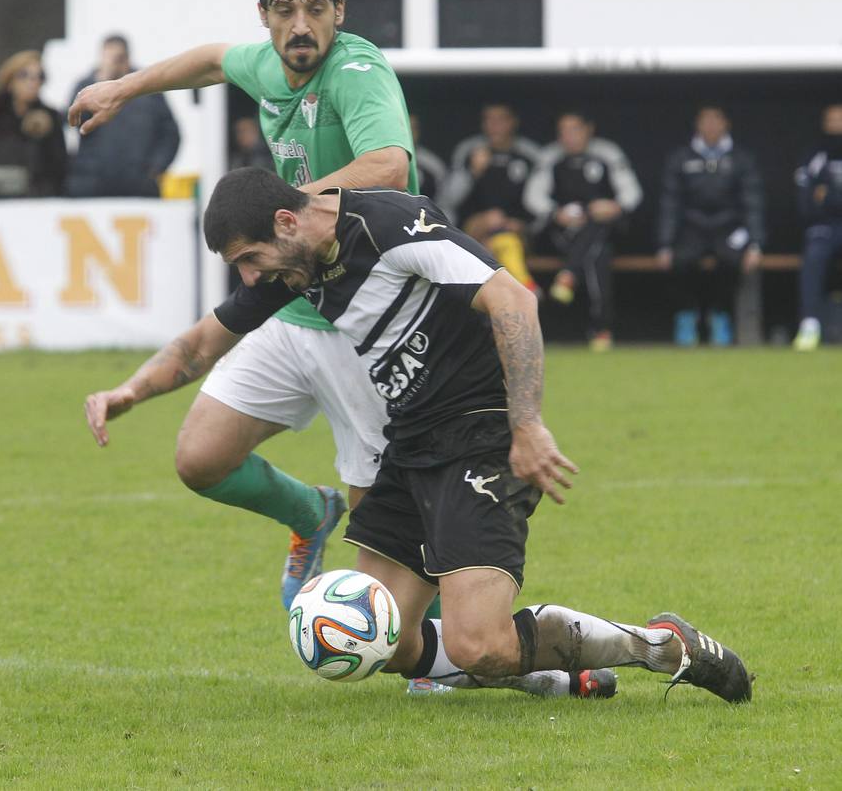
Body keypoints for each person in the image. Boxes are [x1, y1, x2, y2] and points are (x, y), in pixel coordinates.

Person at [202, 166, 754, 705]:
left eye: (249, 259)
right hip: (411, 440)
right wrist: (125, 395)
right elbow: (197, 344)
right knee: (388, 639)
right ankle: (552, 678)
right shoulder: (300, 269)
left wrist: (527, 423)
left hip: (478, 430)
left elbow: (514, 299)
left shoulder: (390, 224)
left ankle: (659, 646)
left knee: (478, 645)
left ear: (285, 222)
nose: (250, 275)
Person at [71, 0, 414, 619]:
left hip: (369, 313)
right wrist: (122, 88)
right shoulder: (266, 63)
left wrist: (293, 207)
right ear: (264, 16)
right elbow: (207, 60)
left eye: (315, 8)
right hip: (295, 302)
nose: (300, 25)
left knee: (381, 529)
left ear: (339, 13)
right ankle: (309, 515)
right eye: (284, 11)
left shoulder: (354, 72)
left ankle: (435, 651)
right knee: (200, 457)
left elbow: (388, 167)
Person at [524, 111, 643, 351]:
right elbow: (532, 196)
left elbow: (633, 193)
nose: (568, 137)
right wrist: (556, 212)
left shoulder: (608, 153)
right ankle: (601, 329)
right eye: (563, 131)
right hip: (564, 231)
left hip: (603, 226)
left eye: (574, 130)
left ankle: (568, 275)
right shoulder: (550, 156)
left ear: (589, 129)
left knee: (598, 227)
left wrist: (614, 205)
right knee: (598, 254)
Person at [657, 106, 765, 346]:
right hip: (692, 226)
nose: (711, 126)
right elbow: (670, 202)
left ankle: (719, 315)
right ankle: (687, 315)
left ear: (726, 123)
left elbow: (752, 202)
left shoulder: (741, 158)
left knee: (732, 260)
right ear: (697, 124)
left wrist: (756, 242)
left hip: (728, 226)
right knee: (679, 260)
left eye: (716, 120)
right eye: (705, 121)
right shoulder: (681, 158)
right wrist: (664, 243)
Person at [441, 103, 542, 295]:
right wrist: (472, 172)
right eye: (488, 120)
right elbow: (447, 200)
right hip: (474, 230)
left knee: (502, 242)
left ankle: (497, 308)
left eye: (500, 120)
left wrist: (522, 223)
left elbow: (540, 202)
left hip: (517, 231)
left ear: (513, 122)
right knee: (491, 235)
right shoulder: (469, 150)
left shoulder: (530, 154)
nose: (493, 126)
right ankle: (526, 289)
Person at [66, 35, 180, 197]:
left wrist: (155, 169)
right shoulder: (85, 86)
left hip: (139, 185)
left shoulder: (147, 86)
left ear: (127, 57)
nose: (114, 62)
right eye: (109, 57)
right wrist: (102, 80)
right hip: (92, 184)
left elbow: (170, 132)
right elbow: (72, 121)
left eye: (119, 57)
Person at [0, 49, 66, 198]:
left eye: (40, 76)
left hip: (36, 200)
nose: (33, 82)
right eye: (24, 75)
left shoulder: (50, 115)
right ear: (10, 80)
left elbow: (59, 163)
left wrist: (40, 135)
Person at [792, 104, 842, 351]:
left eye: (839, 120)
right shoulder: (814, 155)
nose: (836, 125)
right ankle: (810, 324)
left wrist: (830, 196)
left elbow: (823, 196)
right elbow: (806, 202)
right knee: (813, 257)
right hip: (823, 226)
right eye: (831, 120)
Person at [409, 113, 448, 204]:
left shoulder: (432, 163)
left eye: (413, 128)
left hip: (425, 214)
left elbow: (445, 201)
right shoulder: (385, 159)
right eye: (405, 127)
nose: (409, 133)